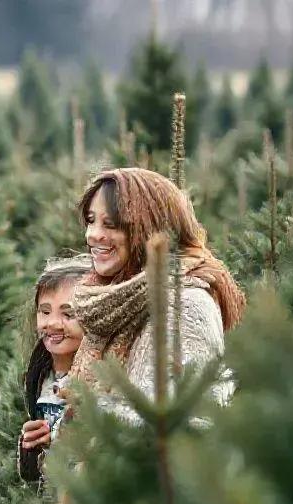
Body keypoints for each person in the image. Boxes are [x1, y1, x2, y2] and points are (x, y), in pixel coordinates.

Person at [67, 167, 246, 424]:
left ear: (150, 229)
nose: (93, 234)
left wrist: (92, 417)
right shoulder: (115, 300)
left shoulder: (186, 306)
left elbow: (184, 422)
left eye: (111, 224)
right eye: (91, 220)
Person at [16, 255, 91, 483]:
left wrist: (58, 440)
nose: (53, 323)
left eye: (69, 314)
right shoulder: (40, 374)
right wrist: (31, 446)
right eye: (45, 311)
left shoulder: (100, 380)